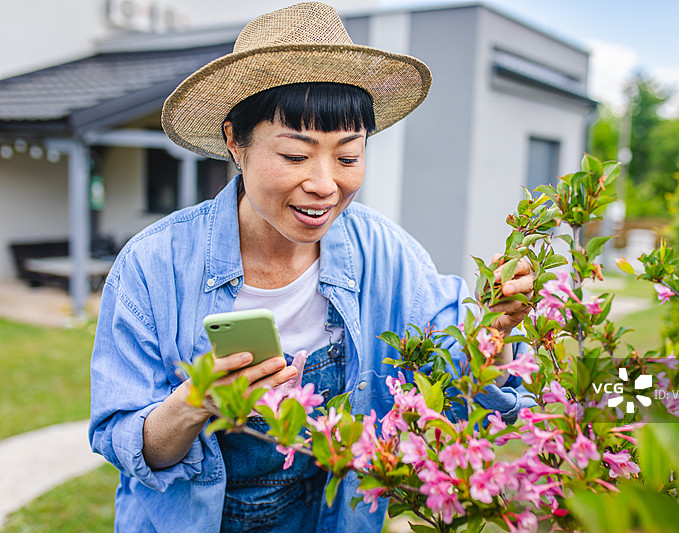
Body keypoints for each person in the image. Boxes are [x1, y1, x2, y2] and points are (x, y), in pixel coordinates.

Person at [89, 3, 535, 532]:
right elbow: (128, 444)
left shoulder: (387, 255)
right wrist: (193, 403)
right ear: (236, 140)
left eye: (348, 157)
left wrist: (496, 333)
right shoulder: (152, 265)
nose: (325, 184)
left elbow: (456, 390)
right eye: (297, 156)